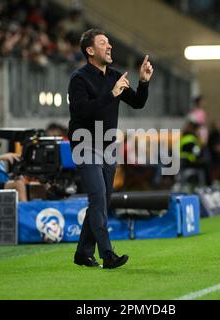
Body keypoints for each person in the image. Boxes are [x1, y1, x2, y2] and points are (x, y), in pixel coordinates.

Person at [68, 28, 153, 269]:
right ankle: (108, 254)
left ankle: (83, 253)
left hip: (107, 145)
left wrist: (143, 81)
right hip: (85, 143)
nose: (109, 47)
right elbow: (81, 111)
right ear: (90, 50)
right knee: (97, 198)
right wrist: (111, 94)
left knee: (101, 202)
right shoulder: (79, 78)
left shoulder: (114, 76)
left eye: (109, 43)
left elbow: (137, 103)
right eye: (103, 43)